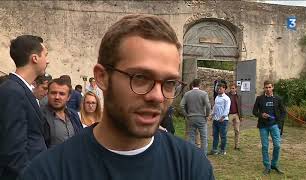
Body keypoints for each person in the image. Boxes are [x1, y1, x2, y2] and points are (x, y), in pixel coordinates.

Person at [19, 14, 214, 180]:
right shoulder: (47, 172)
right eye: (141, 78)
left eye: (169, 83)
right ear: (102, 77)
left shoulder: (192, 167)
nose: (157, 96)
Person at [0, 35, 49, 180]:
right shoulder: (13, 91)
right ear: (34, 58)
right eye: (45, 55)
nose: (48, 60)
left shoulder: (21, 89)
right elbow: (13, 149)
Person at [252, 80, 286, 175]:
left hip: (274, 125)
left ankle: (274, 164)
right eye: (266, 87)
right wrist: (261, 115)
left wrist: (279, 123)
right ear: (264, 88)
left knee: (277, 145)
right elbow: (254, 111)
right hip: (263, 126)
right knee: (265, 146)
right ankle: (267, 166)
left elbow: (283, 112)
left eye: (269, 87)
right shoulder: (259, 98)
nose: (268, 89)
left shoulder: (278, 99)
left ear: (273, 87)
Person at [41, 78, 83, 148]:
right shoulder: (40, 116)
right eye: (53, 93)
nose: (57, 97)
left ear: (68, 97)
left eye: (62, 94)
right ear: (47, 94)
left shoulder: (74, 115)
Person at [180, 78, 211, 154]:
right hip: (201, 117)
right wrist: (207, 115)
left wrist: (186, 115)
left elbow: (181, 105)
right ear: (199, 84)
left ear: (192, 85)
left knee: (191, 137)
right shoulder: (204, 94)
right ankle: (203, 155)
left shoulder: (187, 94)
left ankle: (192, 155)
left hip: (191, 117)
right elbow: (208, 106)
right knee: (203, 137)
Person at [208, 83, 231, 155]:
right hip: (215, 120)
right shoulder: (217, 97)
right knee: (215, 135)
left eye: (220, 88)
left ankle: (222, 150)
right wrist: (212, 115)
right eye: (218, 88)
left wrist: (223, 117)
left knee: (223, 136)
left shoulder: (226, 98)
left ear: (224, 89)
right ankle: (214, 150)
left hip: (223, 121)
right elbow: (215, 107)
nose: (219, 89)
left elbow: (227, 109)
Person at [227, 83, 242, 150]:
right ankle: (223, 144)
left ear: (236, 89)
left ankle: (237, 145)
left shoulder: (238, 96)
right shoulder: (227, 95)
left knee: (237, 130)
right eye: (231, 88)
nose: (232, 90)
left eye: (233, 88)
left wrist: (241, 116)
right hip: (229, 114)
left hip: (236, 115)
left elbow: (240, 106)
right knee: (225, 130)